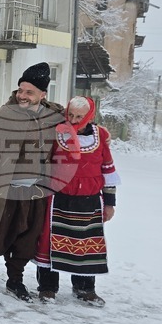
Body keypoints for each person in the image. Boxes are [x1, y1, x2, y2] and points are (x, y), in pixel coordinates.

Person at [0, 62, 65, 304]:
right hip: (4, 189)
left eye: (29, 92)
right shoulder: (1, 116)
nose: (22, 95)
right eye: (21, 89)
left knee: (27, 237)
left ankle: (15, 280)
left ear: (43, 94)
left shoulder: (54, 116)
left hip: (36, 190)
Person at [33, 96, 119, 306]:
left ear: (90, 116)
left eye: (79, 116)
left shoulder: (100, 137)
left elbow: (108, 169)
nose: (73, 119)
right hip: (59, 198)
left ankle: (84, 288)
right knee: (50, 243)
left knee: (86, 246)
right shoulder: (57, 133)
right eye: (70, 115)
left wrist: (109, 203)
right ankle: (47, 287)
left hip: (89, 201)